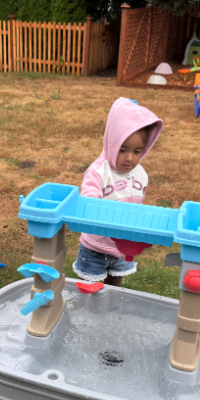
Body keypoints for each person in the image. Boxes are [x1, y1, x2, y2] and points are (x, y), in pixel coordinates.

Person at [73, 98, 163, 286]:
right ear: (112, 143)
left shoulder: (140, 174)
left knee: (114, 290)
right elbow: (89, 207)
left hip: (122, 248)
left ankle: (108, 314)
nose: (130, 158)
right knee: (90, 291)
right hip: (96, 248)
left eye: (137, 151)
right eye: (123, 150)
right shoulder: (98, 173)